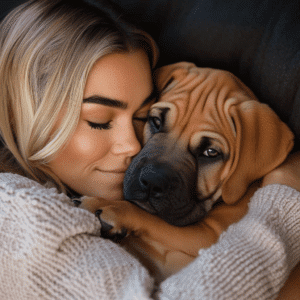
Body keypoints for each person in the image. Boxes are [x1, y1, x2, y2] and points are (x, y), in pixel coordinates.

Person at [0, 0, 300, 299]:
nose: (133, 144)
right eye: (100, 121)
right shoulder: (17, 215)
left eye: (143, 118)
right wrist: (284, 202)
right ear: (19, 115)